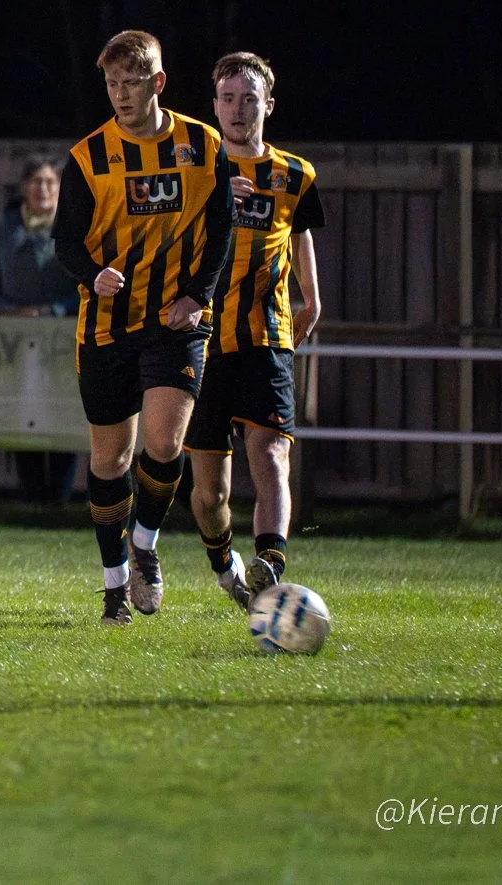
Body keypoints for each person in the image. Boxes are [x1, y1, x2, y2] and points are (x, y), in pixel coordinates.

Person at [52, 30, 235, 626]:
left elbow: (223, 227)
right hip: (105, 328)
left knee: (164, 444)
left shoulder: (202, 146)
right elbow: (64, 241)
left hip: (173, 323)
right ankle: (112, 588)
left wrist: (197, 297)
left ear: (157, 82)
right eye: (111, 84)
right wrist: (92, 272)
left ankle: (146, 548)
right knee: (111, 460)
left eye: (132, 83)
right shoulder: (88, 157)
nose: (120, 95)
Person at [183, 53, 324, 607]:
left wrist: (312, 296)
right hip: (201, 338)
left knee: (269, 453)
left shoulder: (294, 174)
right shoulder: (195, 169)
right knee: (210, 492)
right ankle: (225, 563)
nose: (238, 109)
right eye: (228, 98)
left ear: (268, 104)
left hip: (267, 335)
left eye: (249, 98)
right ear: (214, 106)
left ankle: (271, 561)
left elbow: (301, 233)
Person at [0, 156, 80, 502]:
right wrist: (8, 312)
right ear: (24, 188)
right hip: (16, 346)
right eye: (36, 182)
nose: (43, 189)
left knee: (62, 415)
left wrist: (54, 310)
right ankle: (32, 499)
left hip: (62, 343)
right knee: (23, 415)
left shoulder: (73, 229)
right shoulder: (5, 232)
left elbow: (88, 286)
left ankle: (59, 502)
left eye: (50, 182)